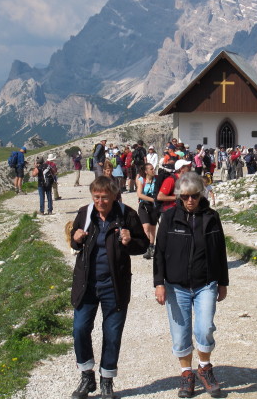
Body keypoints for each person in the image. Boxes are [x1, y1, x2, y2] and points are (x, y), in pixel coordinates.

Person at [69, 176, 149, 399]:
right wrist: (75, 238)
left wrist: (129, 241)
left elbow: (142, 245)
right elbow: (75, 241)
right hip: (86, 285)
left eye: (105, 197)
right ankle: (87, 376)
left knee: (112, 334)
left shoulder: (127, 215)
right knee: (79, 330)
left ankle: (107, 381)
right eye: (96, 197)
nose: (100, 201)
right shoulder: (85, 214)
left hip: (114, 286)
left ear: (114, 196)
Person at [154, 172, 229, 398]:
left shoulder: (212, 217)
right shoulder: (169, 218)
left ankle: (205, 368)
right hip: (176, 286)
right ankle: (186, 374)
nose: (190, 201)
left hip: (205, 284)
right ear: (179, 196)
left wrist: (223, 282)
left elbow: (220, 251)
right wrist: (159, 283)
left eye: (194, 196)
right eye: (185, 196)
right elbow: (159, 252)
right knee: (180, 333)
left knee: (205, 327)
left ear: (201, 195)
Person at [136, 163, 158, 259]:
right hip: (144, 206)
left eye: (153, 168)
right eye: (151, 169)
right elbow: (140, 195)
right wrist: (153, 199)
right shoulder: (141, 180)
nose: (153, 170)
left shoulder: (156, 180)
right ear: (146, 171)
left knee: (153, 227)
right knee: (146, 227)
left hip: (154, 207)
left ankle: (151, 247)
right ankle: (146, 246)